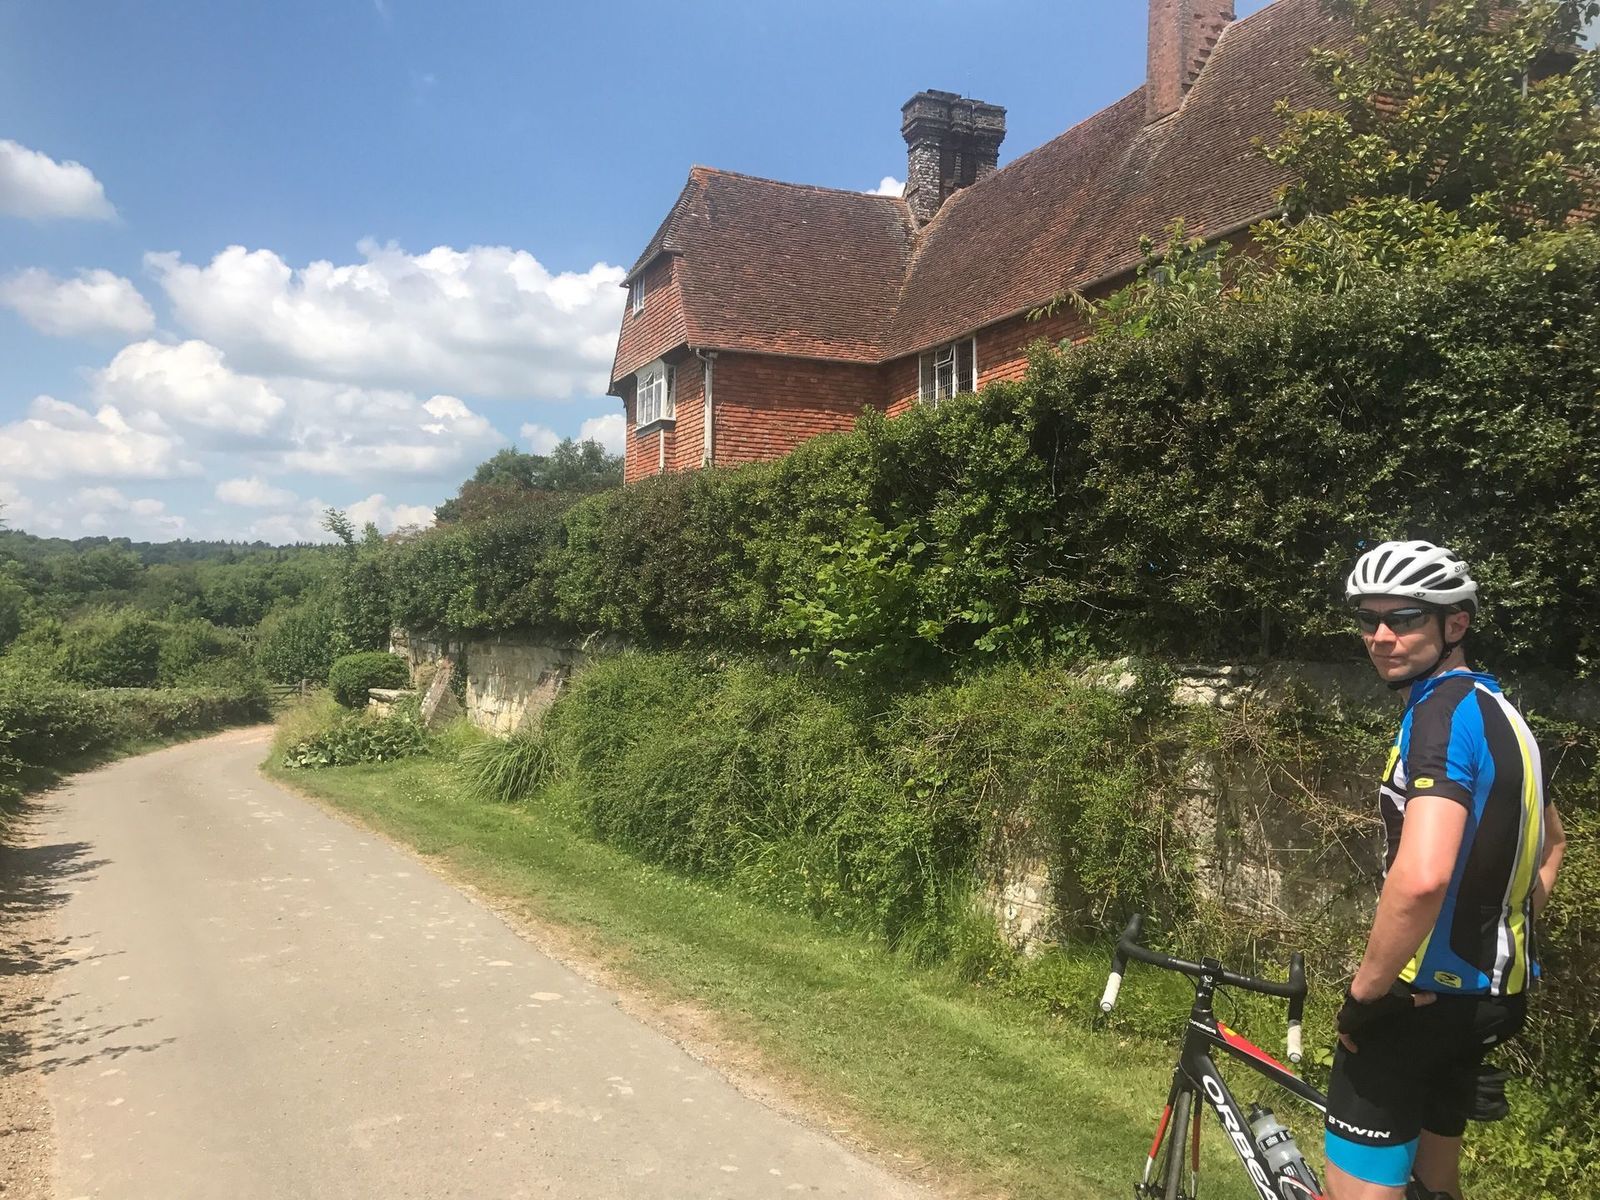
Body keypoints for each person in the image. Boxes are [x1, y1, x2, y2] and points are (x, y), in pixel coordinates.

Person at [1322, 541, 1567, 1200]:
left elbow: (1423, 874)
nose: (1381, 637)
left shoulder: (1439, 713)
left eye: (1404, 618)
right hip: (1493, 1000)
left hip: (1419, 1001)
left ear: (1455, 624)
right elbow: (1552, 846)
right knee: (1435, 1185)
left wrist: (1366, 996)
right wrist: (1492, 937)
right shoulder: (1507, 717)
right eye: (1369, 619)